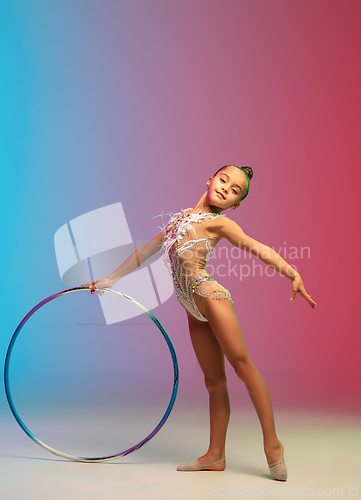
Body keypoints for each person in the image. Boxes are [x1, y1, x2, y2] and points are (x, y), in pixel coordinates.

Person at [81, 165, 317, 481]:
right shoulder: (178, 221)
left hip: (210, 297)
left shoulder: (221, 223)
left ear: (236, 204)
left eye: (235, 191)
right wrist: (111, 280)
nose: (226, 189)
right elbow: (145, 252)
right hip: (191, 308)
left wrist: (292, 272)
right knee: (214, 383)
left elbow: (256, 247)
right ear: (210, 180)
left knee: (243, 367)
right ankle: (215, 455)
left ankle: (273, 445)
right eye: (224, 181)